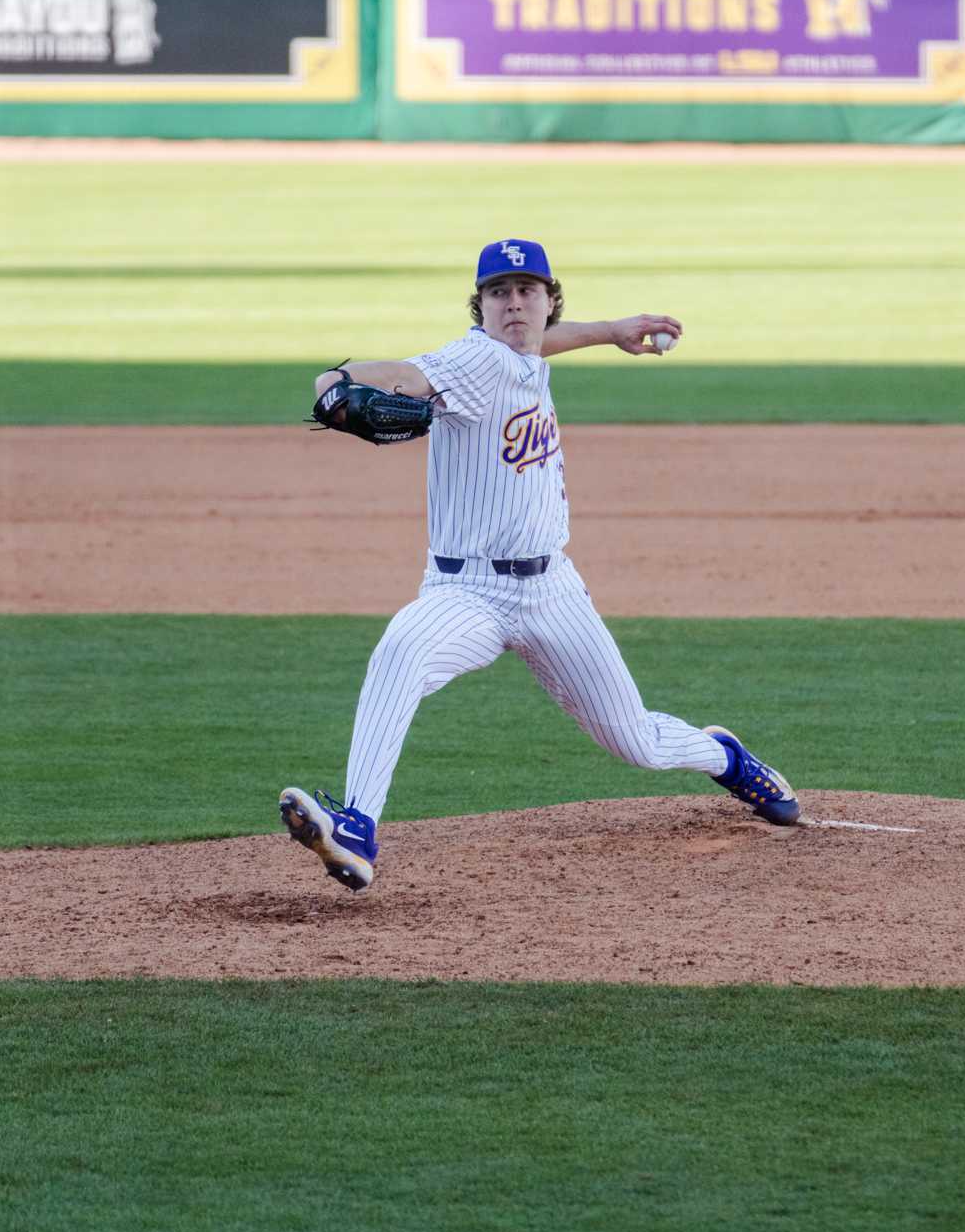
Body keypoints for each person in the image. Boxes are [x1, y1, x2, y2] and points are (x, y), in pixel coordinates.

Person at [281, 238, 799, 892]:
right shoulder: (472, 360)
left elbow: (539, 342)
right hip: (464, 591)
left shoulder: (522, 352)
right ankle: (356, 829)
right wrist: (336, 382)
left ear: (548, 300)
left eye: (527, 290)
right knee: (400, 651)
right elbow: (404, 376)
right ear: (481, 309)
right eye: (499, 293)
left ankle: (723, 755)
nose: (514, 303)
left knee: (636, 741)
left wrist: (612, 331)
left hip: (553, 592)